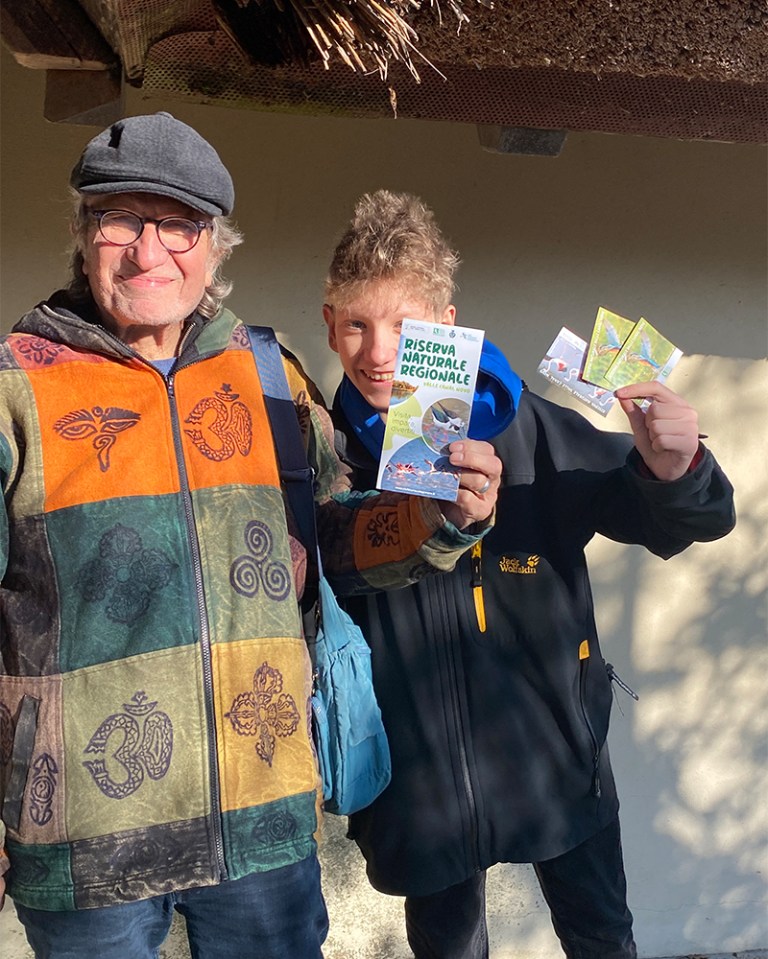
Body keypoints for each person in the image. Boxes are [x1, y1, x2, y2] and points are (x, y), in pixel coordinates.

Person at [0, 116, 502, 959]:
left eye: (179, 225)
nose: (147, 251)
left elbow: (332, 542)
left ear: (215, 247)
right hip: (84, 847)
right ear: (86, 235)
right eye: (120, 218)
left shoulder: (270, 375)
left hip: (261, 834)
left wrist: (436, 518)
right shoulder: (16, 389)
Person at [322, 190, 736, 959]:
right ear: (330, 324)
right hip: (418, 787)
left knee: (603, 939)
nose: (379, 352)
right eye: (356, 323)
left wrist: (679, 469)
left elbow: (684, 519)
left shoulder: (532, 430)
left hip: (559, 760)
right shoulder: (329, 454)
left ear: (445, 326)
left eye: (404, 325)